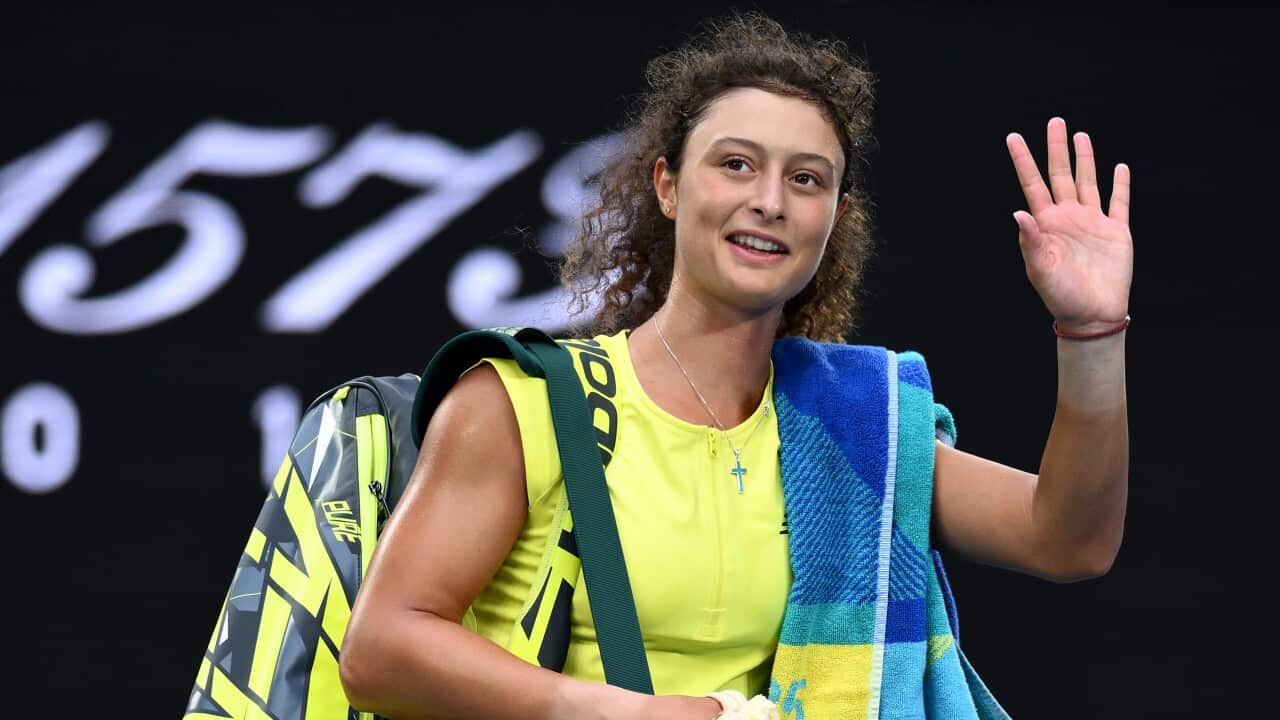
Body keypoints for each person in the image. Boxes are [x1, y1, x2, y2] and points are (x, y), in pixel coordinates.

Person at [338, 11, 1130, 720]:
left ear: (836, 219)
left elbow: (1069, 541)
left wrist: (1090, 330)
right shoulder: (518, 403)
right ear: (669, 185)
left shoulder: (856, 429)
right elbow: (380, 650)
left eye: (807, 180)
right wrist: (611, 714)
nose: (771, 202)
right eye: (737, 164)